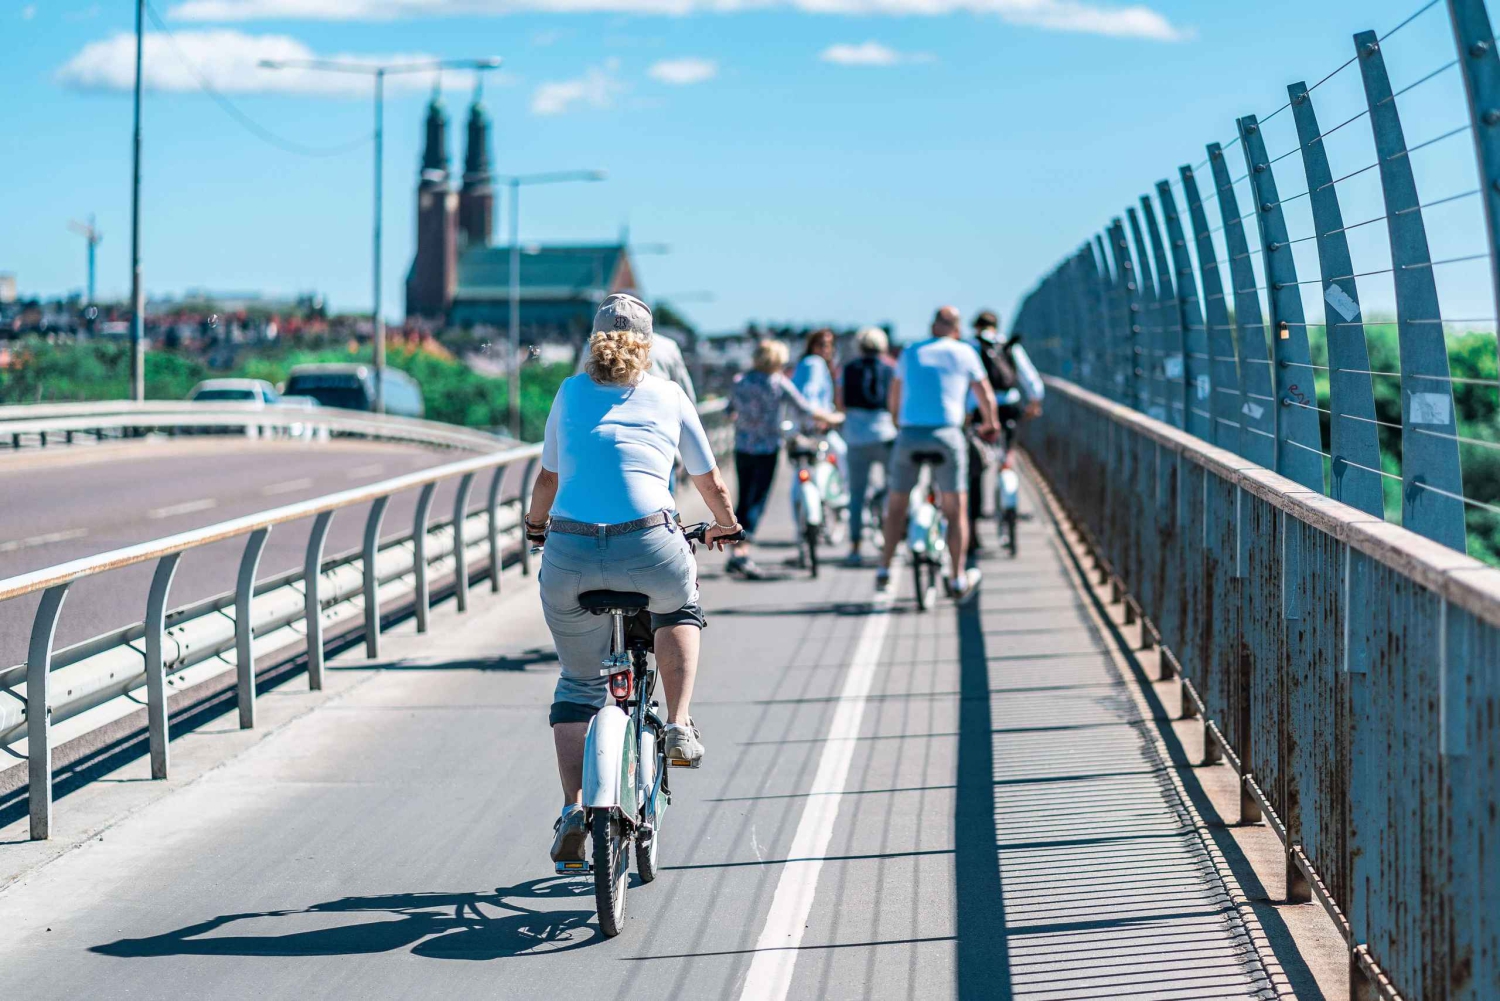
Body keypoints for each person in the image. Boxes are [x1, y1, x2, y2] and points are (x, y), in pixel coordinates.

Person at [526, 293, 741, 865]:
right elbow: (710, 480)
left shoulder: (569, 392)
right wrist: (727, 525)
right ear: (650, 344)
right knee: (679, 605)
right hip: (649, 542)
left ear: (592, 342)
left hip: (569, 549)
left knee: (577, 685)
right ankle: (677, 724)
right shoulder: (669, 394)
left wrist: (535, 528)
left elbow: (547, 479)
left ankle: (574, 808)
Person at [878, 306, 999, 602]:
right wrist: (991, 424)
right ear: (957, 328)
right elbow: (984, 392)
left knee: (897, 503)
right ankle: (957, 577)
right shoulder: (964, 352)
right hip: (947, 434)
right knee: (955, 508)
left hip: (910, 434)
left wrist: (897, 421)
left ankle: (884, 569)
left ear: (933, 325)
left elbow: (894, 395)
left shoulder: (911, 351)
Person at [726, 338, 841, 580]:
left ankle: (735, 547)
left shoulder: (741, 381)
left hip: (743, 447)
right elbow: (805, 408)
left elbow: (730, 412)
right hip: (767, 448)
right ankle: (742, 552)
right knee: (757, 500)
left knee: (744, 496)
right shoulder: (778, 383)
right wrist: (831, 418)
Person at [965, 311, 1044, 556]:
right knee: (1006, 454)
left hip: (980, 411)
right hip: (1010, 408)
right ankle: (1007, 466)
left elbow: (970, 383)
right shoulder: (1008, 345)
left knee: (975, 470)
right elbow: (1032, 380)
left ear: (976, 327)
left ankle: (973, 529)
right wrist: (1034, 403)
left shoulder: (972, 347)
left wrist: (967, 413)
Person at [837, 326, 897, 566]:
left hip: (856, 436)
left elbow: (840, 403)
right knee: (894, 489)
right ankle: (893, 539)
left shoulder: (848, 369)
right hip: (886, 434)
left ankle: (855, 547)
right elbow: (895, 401)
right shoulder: (891, 368)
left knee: (856, 494)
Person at [791, 328, 847, 473]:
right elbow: (810, 395)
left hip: (802, 426)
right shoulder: (815, 363)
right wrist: (823, 418)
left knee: (804, 470)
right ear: (812, 346)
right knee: (842, 454)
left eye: (829, 344)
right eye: (822, 344)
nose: (827, 349)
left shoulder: (804, 363)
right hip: (816, 425)